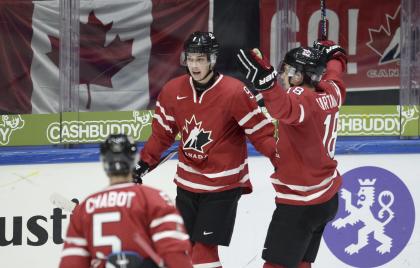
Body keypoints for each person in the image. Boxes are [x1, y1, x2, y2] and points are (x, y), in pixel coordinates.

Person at [133, 31, 276, 268]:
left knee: (204, 252)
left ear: (212, 59)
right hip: (188, 183)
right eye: (190, 59)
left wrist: (281, 161)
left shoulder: (234, 92)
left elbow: (261, 134)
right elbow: (162, 134)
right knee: (185, 249)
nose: (195, 65)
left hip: (223, 185)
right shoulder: (172, 90)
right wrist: (144, 163)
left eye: (200, 59)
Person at [236, 40, 347, 268]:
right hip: (326, 199)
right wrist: (336, 55)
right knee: (301, 263)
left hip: (301, 203)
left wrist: (267, 86)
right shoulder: (331, 91)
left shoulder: (300, 98)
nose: (281, 75)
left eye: (285, 70)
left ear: (297, 76)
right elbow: (335, 75)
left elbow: (282, 109)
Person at [59, 134, 192, 268]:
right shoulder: (155, 199)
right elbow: (176, 256)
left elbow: (71, 263)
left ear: (104, 162)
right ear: (134, 160)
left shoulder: (85, 209)